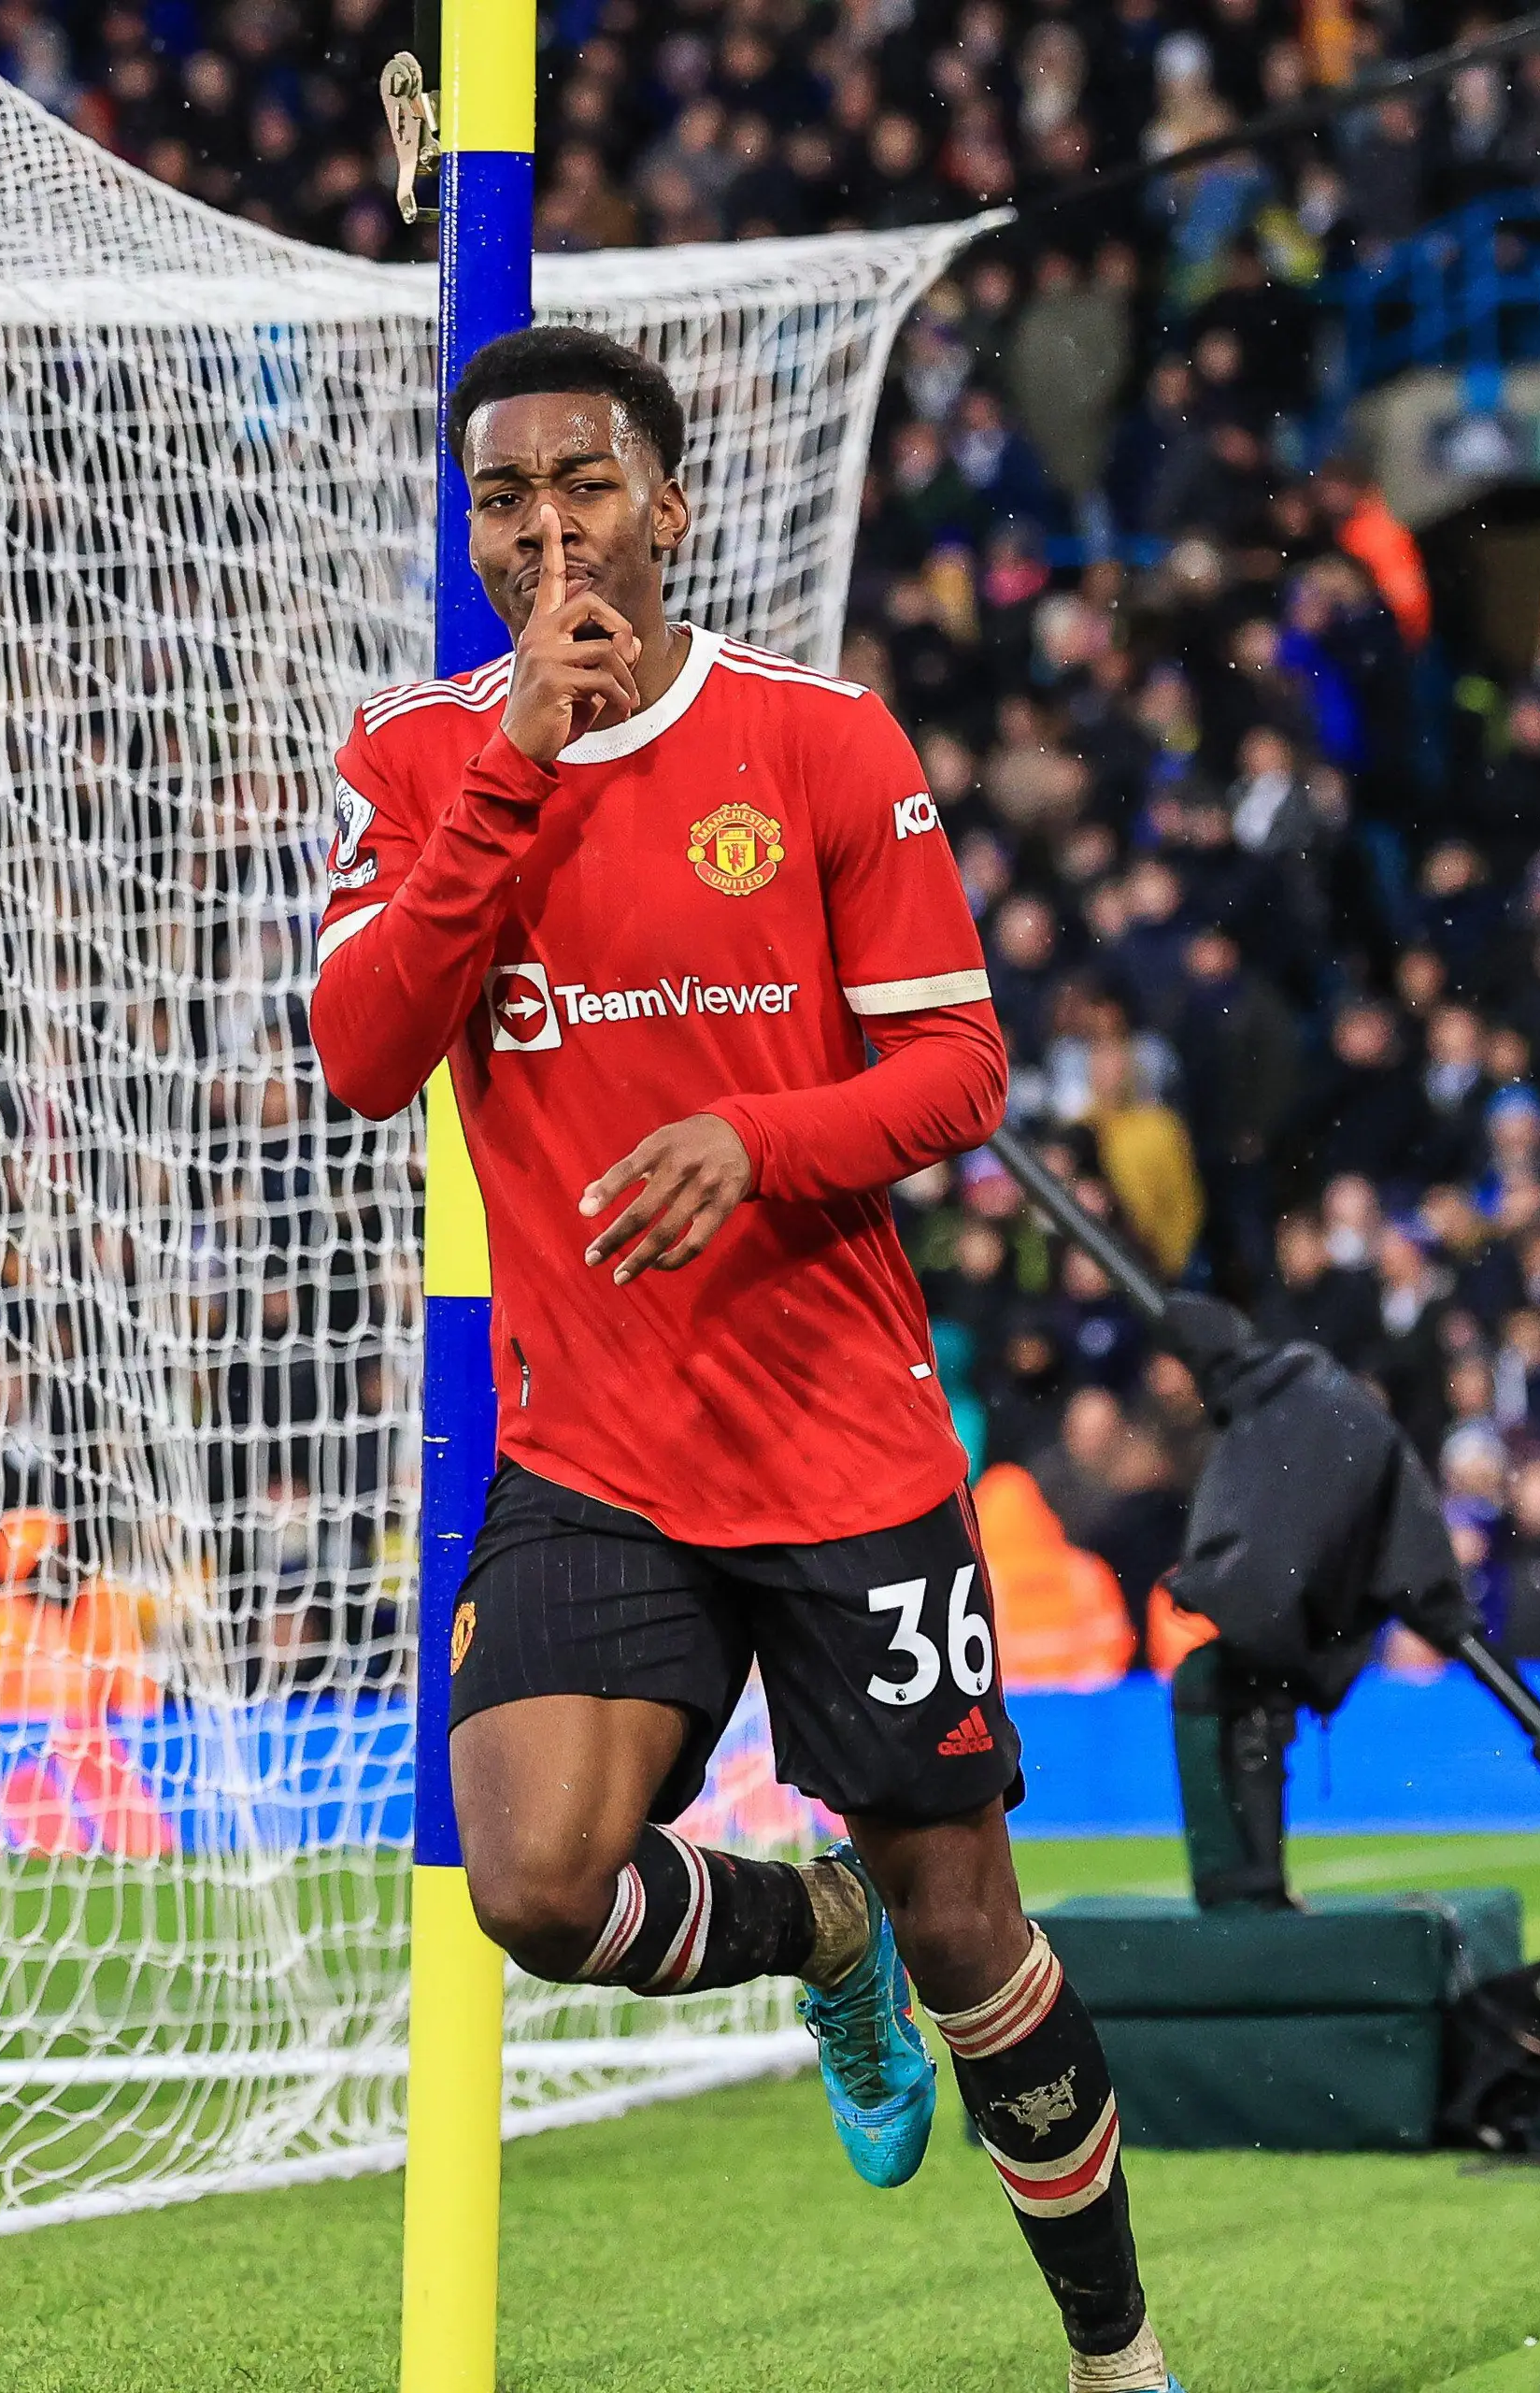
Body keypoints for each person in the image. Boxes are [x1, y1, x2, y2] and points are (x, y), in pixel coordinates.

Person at [308, 327, 1179, 2393]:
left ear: (668, 506)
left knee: (972, 1921)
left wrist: (754, 1139)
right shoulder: (416, 759)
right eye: (503, 496)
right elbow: (360, 1058)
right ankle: (810, 1934)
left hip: (841, 1442)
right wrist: (518, 759)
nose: (544, 529)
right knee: (529, 1878)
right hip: (593, 1445)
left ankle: (1119, 2356)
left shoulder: (820, 739)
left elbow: (962, 1067)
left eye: (582, 487)